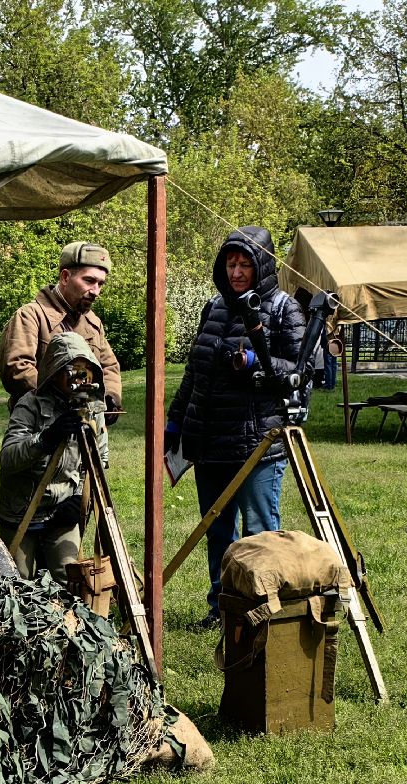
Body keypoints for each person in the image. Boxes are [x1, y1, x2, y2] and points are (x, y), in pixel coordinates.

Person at [165, 226, 306, 630]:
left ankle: (261, 609)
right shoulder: (215, 306)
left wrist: (252, 364)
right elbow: (194, 371)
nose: (238, 271)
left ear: (261, 264)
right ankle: (222, 608)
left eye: (245, 263)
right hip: (209, 439)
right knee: (217, 530)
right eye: (231, 262)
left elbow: (300, 372)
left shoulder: (283, 309)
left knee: (260, 534)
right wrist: (176, 421)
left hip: (256, 442)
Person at [0, 241, 122, 466]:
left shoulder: (94, 324)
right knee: (36, 499)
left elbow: (109, 367)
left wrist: (110, 398)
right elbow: (17, 369)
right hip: (38, 434)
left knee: (81, 497)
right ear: (65, 277)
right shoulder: (30, 316)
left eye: (100, 284)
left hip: (83, 436)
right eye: (89, 281)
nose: (96, 291)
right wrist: (65, 399)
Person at [0, 332, 103, 582]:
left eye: (85, 369)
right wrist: (46, 439)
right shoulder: (30, 405)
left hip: (63, 510)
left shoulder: (92, 410)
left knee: (71, 578)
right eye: (72, 368)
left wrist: (79, 498)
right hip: (23, 511)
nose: (80, 376)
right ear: (55, 370)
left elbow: (98, 463)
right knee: (17, 581)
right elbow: (8, 457)